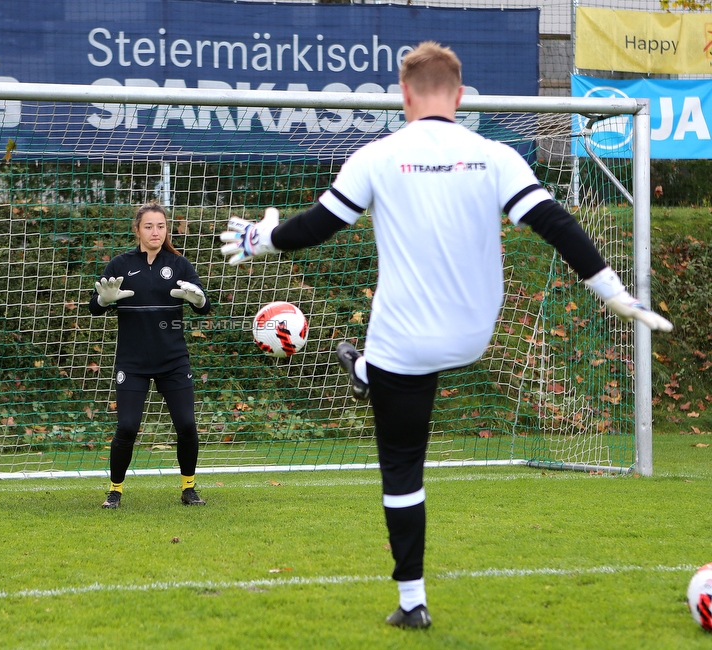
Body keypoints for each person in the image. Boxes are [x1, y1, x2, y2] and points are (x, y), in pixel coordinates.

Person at [219, 41, 672, 629]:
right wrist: (611, 291)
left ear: (404, 96)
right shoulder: (494, 155)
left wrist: (260, 241)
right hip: (472, 334)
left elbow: (318, 226)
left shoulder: (376, 156)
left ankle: (412, 604)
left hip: (403, 343)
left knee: (403, 468)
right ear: (460, 97)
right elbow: (555, 223)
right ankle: (365, 373)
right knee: (392, 372)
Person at [89, 202, 213, 509]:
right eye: (148, 226)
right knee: (127, 427)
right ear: (137, 230)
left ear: (166, 229)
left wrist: (198, 299)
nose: (155, 231)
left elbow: (205, 306)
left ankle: (188, 488)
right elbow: (94, 306)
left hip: (173, 361)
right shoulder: (120, 264)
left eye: (160, 226)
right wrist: (104, 300)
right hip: (132, 362)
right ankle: (115, 492)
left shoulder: (179, 264)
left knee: (186, 424)